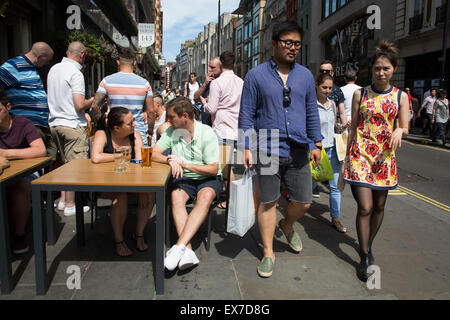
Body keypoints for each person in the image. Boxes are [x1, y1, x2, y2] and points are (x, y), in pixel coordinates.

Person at [239, 20, 322, 278]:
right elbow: (246, 115)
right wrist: (246, 146)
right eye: (288, 43)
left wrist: (316, 142)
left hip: (299, 147)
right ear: (274, 44)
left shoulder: (306, 76)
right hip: (268, 145)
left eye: (297, 44)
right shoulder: (256, 75)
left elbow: (311, 111)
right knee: (268, 202)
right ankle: (268, 252)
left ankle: (287, 225)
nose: (293, 48)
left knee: (304, 201)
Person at [344, 41, 409, 281]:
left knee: (379, 207)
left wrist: (400, 131)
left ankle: (368, 243)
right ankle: (364, 255)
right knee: (366, 207)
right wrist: (345, 161)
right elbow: (353, 128)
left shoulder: (401, 96)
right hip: (360, 155)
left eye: (386, 69)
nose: (381, 73)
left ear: (394, 69)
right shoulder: (361, 93)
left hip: (384, 158)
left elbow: (405, 125)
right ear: (371, 70)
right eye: (377, 69)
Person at [152, 97, 222, 271]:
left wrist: (184, 163)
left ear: (184, 116)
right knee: (176, 195)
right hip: (185, 178)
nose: (167, 121)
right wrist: (169, 160)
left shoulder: (206, 133)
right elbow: (153, 154)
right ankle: (187, 250)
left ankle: (178, 247)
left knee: (205, 196)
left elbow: (213, 169)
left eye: (171, 117)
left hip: (207, 178)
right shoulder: (171, 132)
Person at [90, 107, 155, 256]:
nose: (134, 125)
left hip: (130, 182)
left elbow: (140, 161)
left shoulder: (135, 136)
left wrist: (142, 188)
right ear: (116, 128)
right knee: (120, 195)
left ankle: (138, 234)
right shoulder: (102, 134)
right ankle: (119, 240)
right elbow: (96, 157)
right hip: (104, 183)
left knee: (150, 192)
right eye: (130, 123)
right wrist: (121, 156)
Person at [47, 41, 93, 217]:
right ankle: (71, 204)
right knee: (75, 166)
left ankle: (63, 200)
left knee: (65, 164)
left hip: (55, 123)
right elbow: (80, 104)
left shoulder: (54, 69)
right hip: (72, 123)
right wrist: (94, 99)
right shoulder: (75, 73)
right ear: (81, 55)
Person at [0, 87, 46, 254]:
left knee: (20, 189)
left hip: (26, 172)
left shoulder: (22, 123)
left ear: (8, 107)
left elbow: (40, 150)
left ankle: (19, 235)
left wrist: (7, 153)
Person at [0, 42, 57, 161]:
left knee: (51, 158)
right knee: (36, 162)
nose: (48, 63)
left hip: (41, 123)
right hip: (29, 124)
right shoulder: (14, 66)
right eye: (48, 60)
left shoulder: (31, 68)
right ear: (40, 56)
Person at [202, 51, 243, 209]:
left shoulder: (217, 83)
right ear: (233, 64)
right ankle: (229, 199)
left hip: (221, 128)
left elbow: (211, 108)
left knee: (224, 169)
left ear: (221, 65)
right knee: (226, 166)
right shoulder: (241, 82)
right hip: (235, 127)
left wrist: (204, 104)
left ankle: (232, 201)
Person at [93, 48, 155, 146]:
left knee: (115, 160)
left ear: (118, 62)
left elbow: (95, 106)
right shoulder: (145, 84)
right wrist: (150, 132)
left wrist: (103, 125)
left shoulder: (106, 81)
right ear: (134, 63)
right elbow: (151, 112)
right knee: (139, 159)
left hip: (115, 131)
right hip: (137, 131)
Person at [313, 73, 347, 233]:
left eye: (329, 88)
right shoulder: (310, 105)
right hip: (315, 151)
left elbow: (334, 126)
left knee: (335, 187)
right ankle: (296, 214)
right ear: (316, 86)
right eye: (324, 87)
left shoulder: (332, 104)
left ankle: (335, 218)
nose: (327, 91)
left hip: (332, 150)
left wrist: (343, 127)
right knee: (309, 185)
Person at [193, 57, 222, 126]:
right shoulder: (209, 80)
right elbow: (195, 98)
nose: (209, 70)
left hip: (218, 124)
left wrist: (210, 99)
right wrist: (205, 83)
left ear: (221, 67)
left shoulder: (223, 81)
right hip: (206, 122)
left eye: (212, 67)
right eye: (209, 67)